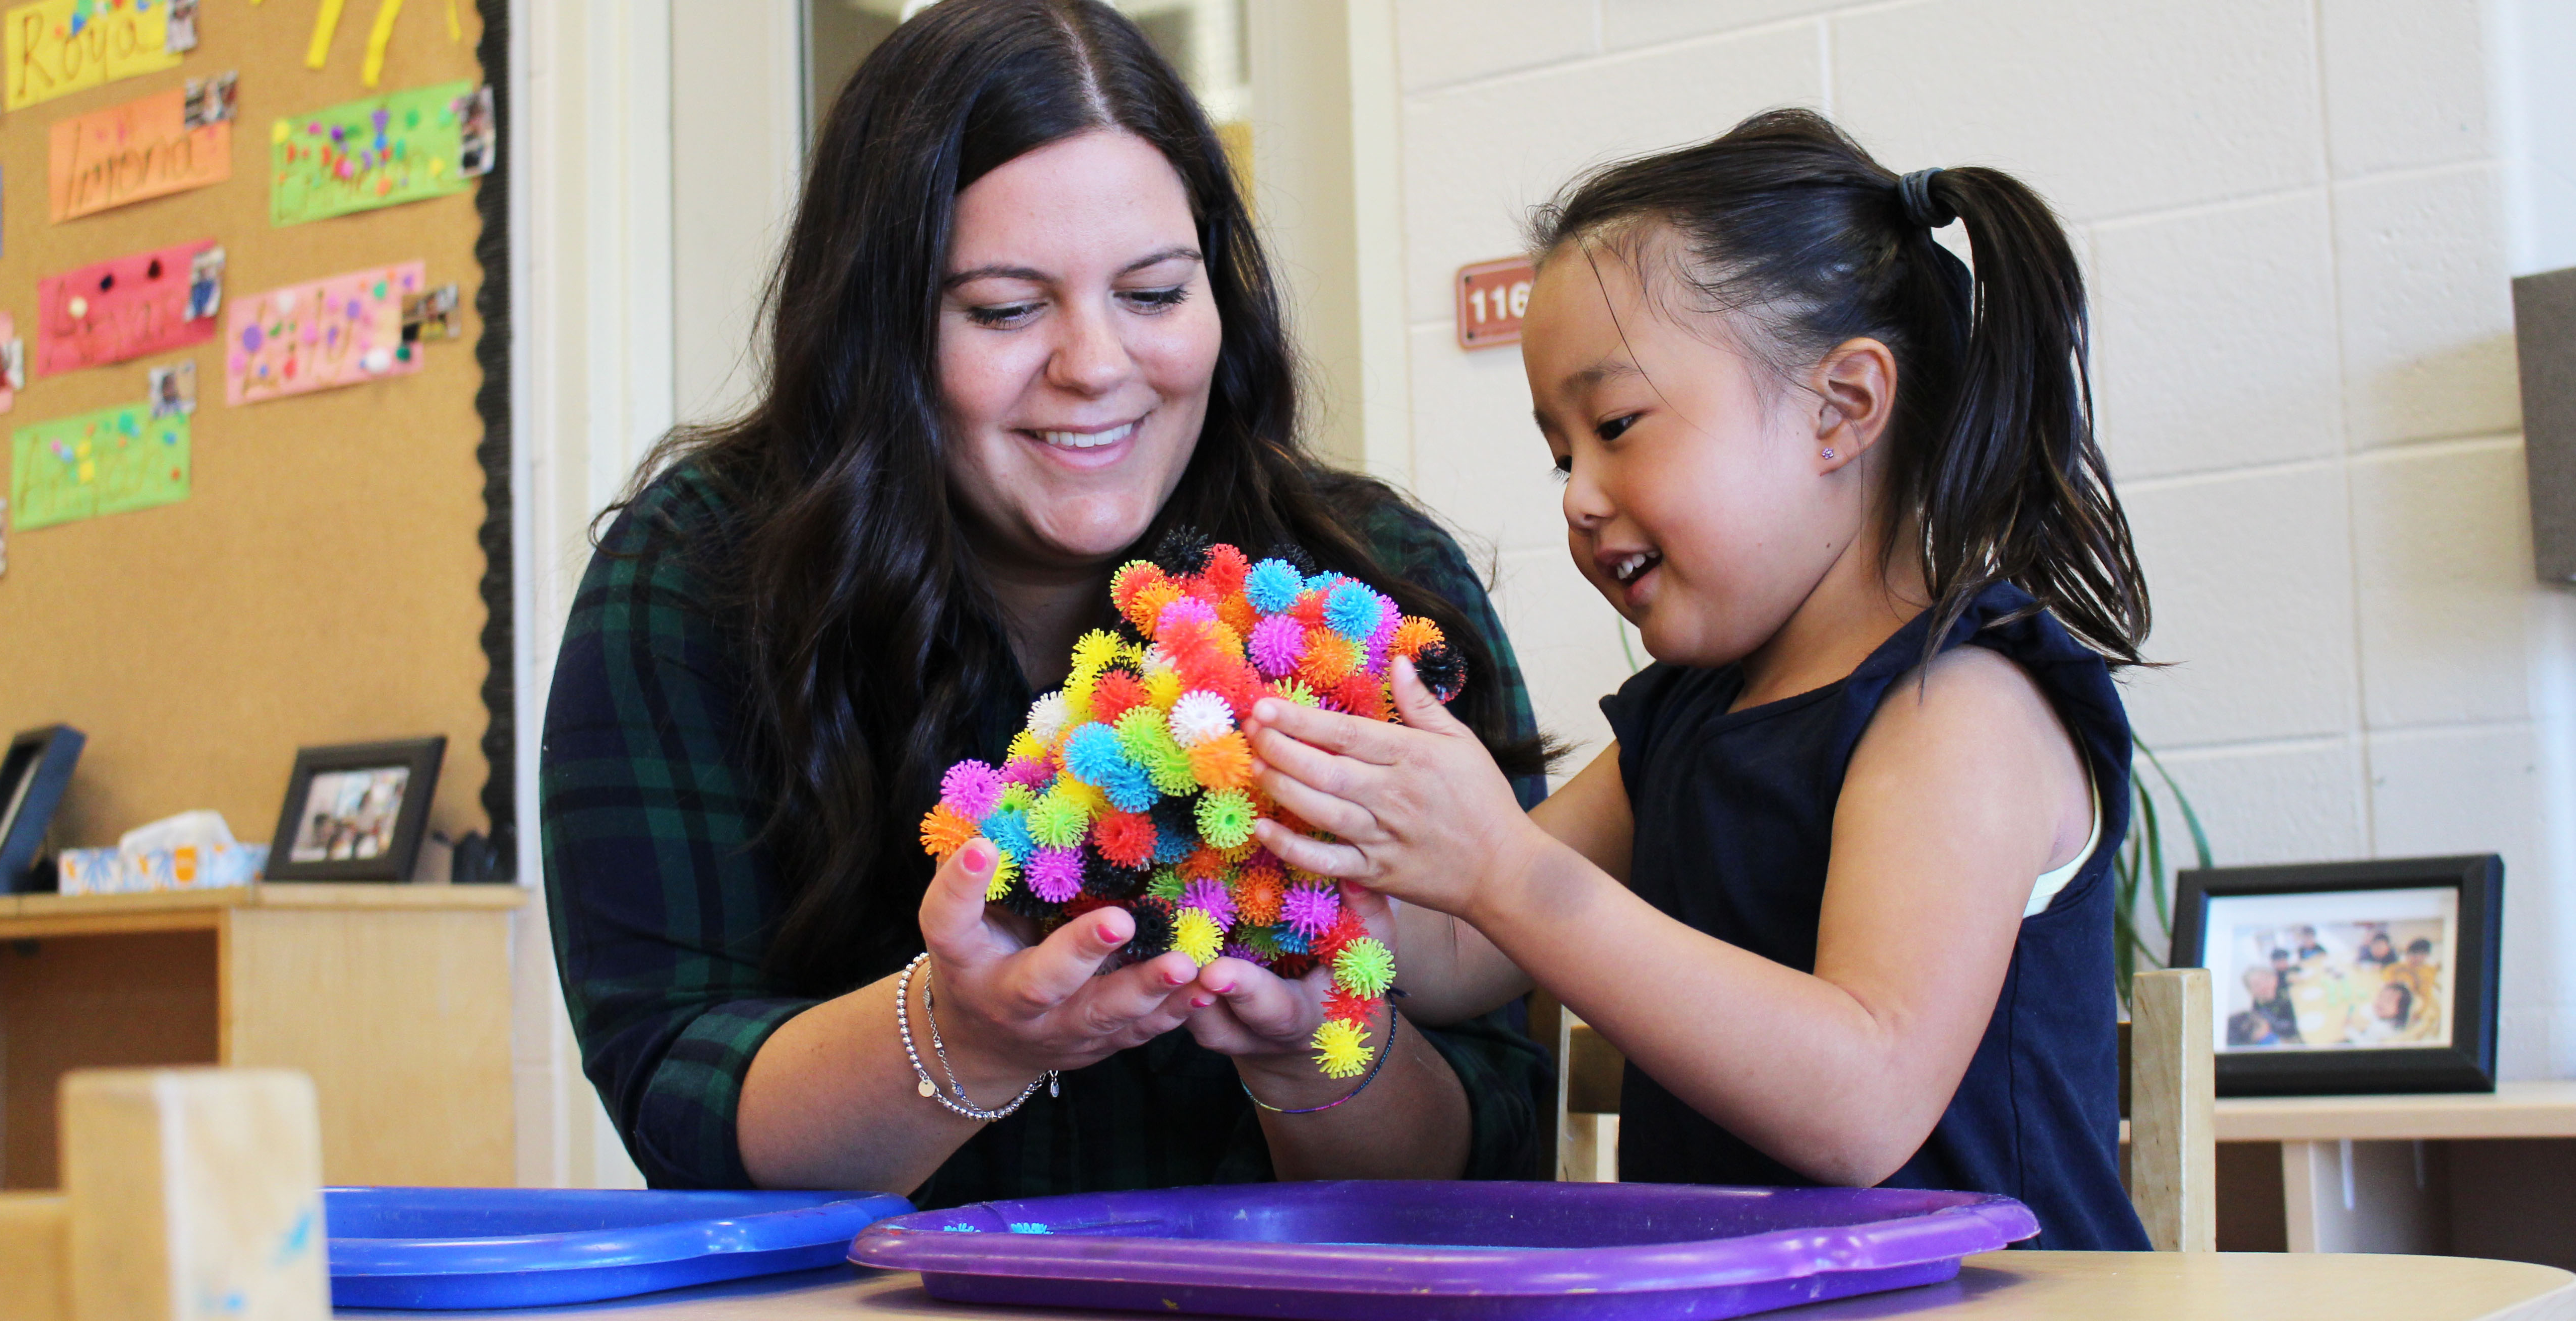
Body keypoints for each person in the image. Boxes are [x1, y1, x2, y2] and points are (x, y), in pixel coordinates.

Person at [540, 0, 1550, 1200]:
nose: (1096, 365)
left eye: (1157, 293)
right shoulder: (699, 578)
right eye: (1007, 309)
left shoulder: (1368, 594)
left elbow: (1490, 1150)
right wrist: (970, 1036)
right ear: (879, 328)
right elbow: (676, 1097)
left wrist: (1311, 1050)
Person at [1239, 110, 2154, 1249]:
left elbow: (1861, 1103)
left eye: (1617, 424)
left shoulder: (1961, 708)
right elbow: (1464, 950)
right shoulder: (1688, 717)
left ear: (1843, 408)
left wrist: (1501, 864)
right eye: (1562, 452)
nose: (1576, 494)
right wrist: (1290, 872)